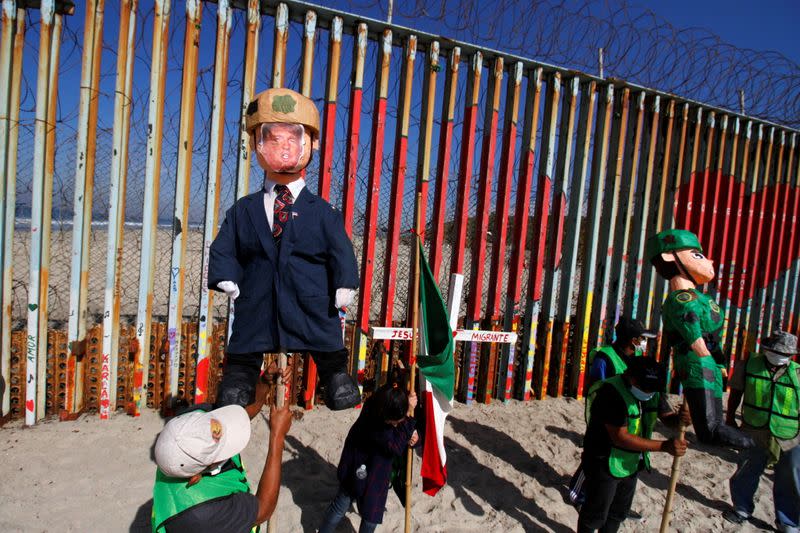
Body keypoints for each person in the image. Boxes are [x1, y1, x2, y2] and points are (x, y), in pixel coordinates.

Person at [208, 87, 361, 411]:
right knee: (246, 336)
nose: (283, 147)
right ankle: (238, 381)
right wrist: (227, 276)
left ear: (311, 144)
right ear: (255, 144)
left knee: (325, 333)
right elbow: (225, 245)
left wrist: (345, 282)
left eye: (293, 138)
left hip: (310, 297)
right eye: (272, 139)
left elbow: (341, 250)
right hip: (258, 294)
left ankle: (335, 377)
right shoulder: (243, 210)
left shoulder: (323, 212)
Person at [646, 229, 753, 449]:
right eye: (697, 255)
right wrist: (702, 350)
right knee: (708, 420)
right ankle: (712, 431)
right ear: (670, 257)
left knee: (714, 403)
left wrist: (720, 361)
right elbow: (690, 324)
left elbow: (715, 334)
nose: (708, 260)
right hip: (695, 357)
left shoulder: (703, 298)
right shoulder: (680, 297)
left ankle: (718, 426)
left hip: (710, 358)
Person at [151, 368, 292, 533]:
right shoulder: (204, 513)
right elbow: (263, 509)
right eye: (220, 448)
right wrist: (277, 437)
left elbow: (239, 420)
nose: (226, 438)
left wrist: (265, 383)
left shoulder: (180, 445)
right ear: (196, 477)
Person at [577, 356, 690, 533]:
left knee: (617, 513)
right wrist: (664, 446)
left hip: (631, 462)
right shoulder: (611, 393)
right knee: (595, 514)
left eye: (652, 389)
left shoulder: (652, 390)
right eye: (645, 387)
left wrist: (680, 420)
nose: (649, 392)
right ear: (631, 378)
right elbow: (620, 437)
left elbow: (666, 416)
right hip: (603, 461)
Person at [723, 330, 800, 532]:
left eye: (785, 353)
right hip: (754, 428)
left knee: (790, 475)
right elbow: (736, 392)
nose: (779, 356)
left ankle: (788, 521)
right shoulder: (748, 365)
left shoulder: (798, 373)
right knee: (747, 468)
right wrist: (730, 418)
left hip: (789, 435)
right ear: (766, 349)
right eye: (776, 351)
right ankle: (741, 508)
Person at [319, 381, 420, 533]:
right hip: (366, 468)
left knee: (349, 507)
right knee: (363, 514)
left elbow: (400, 430)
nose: (396, 424)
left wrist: (412, 432)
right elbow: (395, 447)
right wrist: (408, 415)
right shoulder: (379, 426)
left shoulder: (381, 399)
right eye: (396, 422)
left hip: (363, 464)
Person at [586, 316, 657, 387]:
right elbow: (596, 389)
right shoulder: (603, 359)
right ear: (634, 341)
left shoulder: (637, 354)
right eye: (643, 338)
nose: (645, 341)